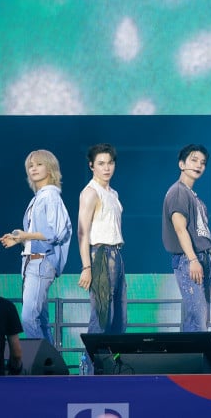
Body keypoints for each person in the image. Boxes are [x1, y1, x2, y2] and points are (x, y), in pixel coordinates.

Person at [0, 149, 72, 344]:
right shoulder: (39, 197)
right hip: (32, 261)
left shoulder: (50, 197)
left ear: (50, 168)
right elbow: (41, 234)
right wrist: (20, 239)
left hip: (41, 262)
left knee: (29, 318)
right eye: (30, 166)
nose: (34, 169)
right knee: (41, 320)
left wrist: (26, 235)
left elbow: (55, 233)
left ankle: (38, 361)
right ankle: (50, 362)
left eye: (39, 164)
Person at [77, 143, 127, 374]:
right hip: (100, 256)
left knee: (119, 319)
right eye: (101, 164)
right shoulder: (90, 192)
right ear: (91, 166)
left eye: (110, 163)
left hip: (116, 254)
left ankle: (110, 369)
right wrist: (86, 266)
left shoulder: (113, 193)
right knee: (101, 316)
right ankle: (89, 370)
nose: (106, 168)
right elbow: (82, 232)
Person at [163, 144, 211, 332]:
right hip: (189, 260)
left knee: (199, 319)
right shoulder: (179, 192)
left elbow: (202, 235)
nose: (199, 165)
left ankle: (190, 352)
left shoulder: (194, 197)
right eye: (194, 160)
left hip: (202, 259)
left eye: (203, 162)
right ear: (181, 164)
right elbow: (180, 228)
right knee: (197, 321)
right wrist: (193, 259)